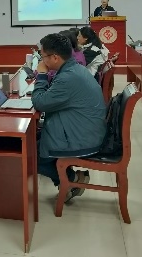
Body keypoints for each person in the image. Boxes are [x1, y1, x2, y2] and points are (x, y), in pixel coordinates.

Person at [31, 33, 106, 202]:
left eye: (43, 57)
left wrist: (41, 75)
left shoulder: (68, 77)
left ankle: (70, 180)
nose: (42, 61)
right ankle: (70, 180)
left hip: (83, 138)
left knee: (29, 156)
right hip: (85, 129)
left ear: (55, 57)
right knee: (33, 140)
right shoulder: (73, 68)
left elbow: (40, 102)